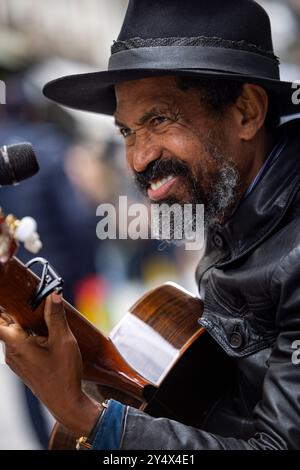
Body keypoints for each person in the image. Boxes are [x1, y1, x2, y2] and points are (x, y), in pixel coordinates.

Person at [1, 0, 300, 450]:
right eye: (127, 131)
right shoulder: (232, 205)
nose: (138, 158)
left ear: (247, 112)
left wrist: (84, 415)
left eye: (160, 120)